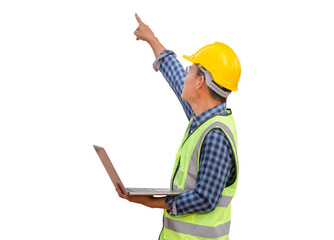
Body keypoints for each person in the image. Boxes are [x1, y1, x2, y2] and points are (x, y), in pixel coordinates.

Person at [115, 13, 241, 240]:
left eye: (190, 70)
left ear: (200, 82)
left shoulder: (215, 136)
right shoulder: (201, 117)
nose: (185, 75)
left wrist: (152, 202)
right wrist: (151, 39)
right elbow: (174, 74)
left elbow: (205, 198)